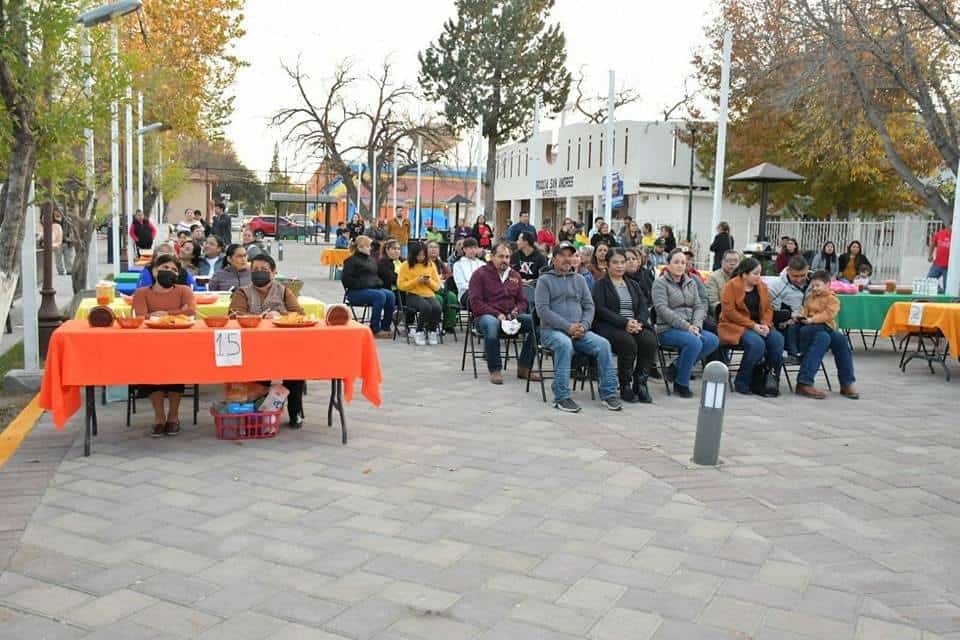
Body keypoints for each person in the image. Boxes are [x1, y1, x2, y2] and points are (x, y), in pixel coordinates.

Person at [534, 242, 622, 412]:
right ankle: (562, 396)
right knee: (564, 345)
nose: (567, 259)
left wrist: (584, 325)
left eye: (571, 255)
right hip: (552, 331)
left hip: (580, 331)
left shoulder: (580, 280)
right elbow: (542, 311)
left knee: (603, 344)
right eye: (563, 255)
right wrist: (568, 327)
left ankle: (608, 393)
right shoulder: (544, 280)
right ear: (554, 258)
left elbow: (589, 306)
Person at [229, 253, 307, 428]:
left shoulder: (284, 291)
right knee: (258, 375)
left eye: (264, 270)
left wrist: (280, 315)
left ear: (273, 272)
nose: (259, 272)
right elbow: (234, 316)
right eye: (255, 269)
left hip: (284, 346)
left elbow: (300, 315)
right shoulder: (243, 292)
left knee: (295, 370)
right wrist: (256, 317)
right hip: (253, 348)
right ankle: (259, 413)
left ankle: (295, 412)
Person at [132, 254, 196, 437]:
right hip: (149, 345)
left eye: (174, 270)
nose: (169, 272)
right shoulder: (142, 293)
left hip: (179, 344)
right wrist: (176, 314)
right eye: (165, 268)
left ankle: (173, 416)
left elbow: (191, 311)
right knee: (151, 371)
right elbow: (140, 316)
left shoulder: (184, 290)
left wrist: (162, 313)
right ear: (154, 271)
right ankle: (159, 418)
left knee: (177, 370)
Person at [469, 242, 540, 384]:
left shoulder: (515, 275)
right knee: (491, 323)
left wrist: (515, 311)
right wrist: (496, 314)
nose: (505, 260)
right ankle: (495, 369)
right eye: (501, 256)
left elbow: (523, 302)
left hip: (510, 317)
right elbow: (475, 303)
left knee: (536, 323)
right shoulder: (480, 274)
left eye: (507, 257)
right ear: (492, 257)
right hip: (485, 317)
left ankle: (524, 367)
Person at [592, 249, 657, 403]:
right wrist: (624, 323)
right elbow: (600, 310)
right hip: (610, 326)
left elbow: (643, 306)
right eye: (615, 262)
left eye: (623, 262)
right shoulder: (601, 285)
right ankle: (625, 385)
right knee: (628, 343)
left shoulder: (633, 284)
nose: (620, 266)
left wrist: (638, 322)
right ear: (607, 265)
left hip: (634, 324)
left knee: (649, 341)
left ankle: (640, 384)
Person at [652, 249, 719, 398]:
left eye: (683, 262)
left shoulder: (691, 282)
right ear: (668, 265)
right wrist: (687, 327)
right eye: (676, 262)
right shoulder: (660, 283)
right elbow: (662, 310)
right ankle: (681, 383)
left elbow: (699, 306)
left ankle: (676, 366)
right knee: (694, 343)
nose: (680, 266)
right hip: (668, 329)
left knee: (712, 340)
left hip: (691, 327)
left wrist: (696, 325)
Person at [719, 257, 783, 396]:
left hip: (759, 325)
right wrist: (753, 325)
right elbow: (729, 312)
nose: (758, 277)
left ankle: (769, 380)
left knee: (777, 340)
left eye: (759, 273)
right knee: (756, 343)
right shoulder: (731, 286)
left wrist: (765, 324)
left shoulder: (762, 286)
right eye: (755, 273)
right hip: (735, 326)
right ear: (744, 274)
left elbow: (768, 309)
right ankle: (742, 382)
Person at [793, 270, 859, 400]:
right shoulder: (810, 297)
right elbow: (804, 309)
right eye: (813, 286)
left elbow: (828, 314)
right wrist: (800, 316)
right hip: (808, 329)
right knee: (824, 337)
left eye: (818, 285)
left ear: (828, 284)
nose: (815, 288)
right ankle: (804, 382)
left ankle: (846, 382)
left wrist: (813, 319)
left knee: (839, 339)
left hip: (823, 325)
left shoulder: (832, 299)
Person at [341, 235, 395, 338]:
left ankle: (385, 326)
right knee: (380, 296)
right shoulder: (351, 261)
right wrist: (367, 284)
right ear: (360, 247)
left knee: (390, 295)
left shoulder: (371, 260)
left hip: (371, 289)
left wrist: (378, 283)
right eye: (368, 246)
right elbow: (347, 281)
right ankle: (375, 329)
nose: (370, 248)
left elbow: (375, 276)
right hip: (355, 292)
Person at [397, 241, 443, 346]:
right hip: (412, 295)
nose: (421, 257)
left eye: (423, 255)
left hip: (428, 293)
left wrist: (429, 281)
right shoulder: (405, 265)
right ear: (413, 255)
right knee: (425, 307)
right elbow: (401, 285)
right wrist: (416, 281)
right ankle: (419, 331)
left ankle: (432, 330)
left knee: (437, 307)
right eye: (418, 255)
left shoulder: (430, 264)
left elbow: (437, 286)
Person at [768, 255, 811, 361]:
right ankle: (796, 357)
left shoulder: (816, 281)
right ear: (788, 271)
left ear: (808, 269)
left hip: (812, 321)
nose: (799, 279)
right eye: (795, 276)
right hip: (787, 326)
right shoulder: (777, 287)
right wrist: (787, 320)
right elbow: (772, 313)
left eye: (803, 275)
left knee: (837, 339)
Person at [706, 250, 740, 315]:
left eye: (735, 261)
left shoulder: (742, 278)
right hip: (722, 315)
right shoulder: (713, 278)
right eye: (729, 260)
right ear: (722, 262)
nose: (732, 263)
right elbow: (712, 303)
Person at [453, 238, 484, 305]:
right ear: (464, 249)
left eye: (475, 248)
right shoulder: (458, 265)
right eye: (470, 248)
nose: (473, 250)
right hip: (466, 294)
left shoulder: (482, 264)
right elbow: (461, 284)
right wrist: (477, 287)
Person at [928, 225, 951, 292]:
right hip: (937, 264)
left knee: (948, 287)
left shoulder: (957, 236)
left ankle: (946, 299)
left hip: (949, 267)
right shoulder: (940, 233)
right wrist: (930, 255)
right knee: (929, 281)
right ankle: (940, 292)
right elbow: (932, 244)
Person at [52, 209, 74, 276]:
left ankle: (69, 270)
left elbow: (71, 230)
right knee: (58, 258)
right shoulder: (52, 220)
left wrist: (70, 239)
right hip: (57, 242)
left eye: (59, 212)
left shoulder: (67, 220)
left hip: (67, 242)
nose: (57, 214)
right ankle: (60, 271)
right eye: (56, 213)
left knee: (68, 257)